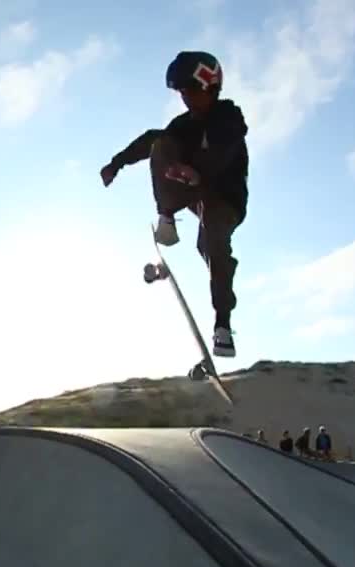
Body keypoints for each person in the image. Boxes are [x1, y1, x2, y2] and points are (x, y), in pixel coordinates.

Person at [99, 50, 249, 358]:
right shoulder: (184, 125)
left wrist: (198, 172)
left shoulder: (228, 118)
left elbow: (224, 151)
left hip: (224, 198)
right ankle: (166, 218)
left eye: (191, 91)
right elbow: (150, 141)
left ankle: (222, 325)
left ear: (210, 87)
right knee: (162, 142)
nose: (187, 100)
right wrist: (117, 163)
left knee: (213, 246)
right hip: (192, 194)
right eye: (182, 93)